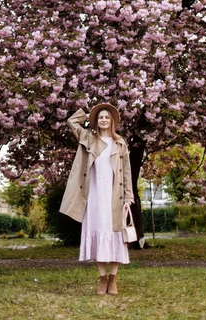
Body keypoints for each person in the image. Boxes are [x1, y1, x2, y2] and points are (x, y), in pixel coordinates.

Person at [60, 103, 134, 296]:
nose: (103, 120)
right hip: (94, 195)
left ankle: (113, 279)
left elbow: (127, 172)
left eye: (106, 117)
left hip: (114, 196)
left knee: (116, 235)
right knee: (99, 232)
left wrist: (128, 197)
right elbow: (71, 121)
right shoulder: (89, 139)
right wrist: (88, 114)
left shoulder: (120, 143)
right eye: (100, 117)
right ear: (96, 121)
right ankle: (102, 279)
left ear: (112, 121)